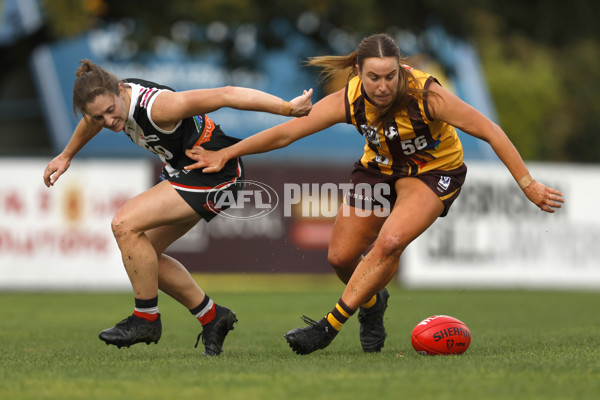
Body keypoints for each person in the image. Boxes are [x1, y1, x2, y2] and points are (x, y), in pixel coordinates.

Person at [184, 33, 565, 355]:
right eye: (373, 78)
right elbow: (287, 133)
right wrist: (227, 152)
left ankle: (327, 328)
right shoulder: (349, 99)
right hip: (378, 170)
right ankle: (372, 300)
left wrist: (527, 184)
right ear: (357, 73)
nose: (383, 87)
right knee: (340, 257)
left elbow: (490, 130)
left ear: (401, 70)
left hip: (433, 172)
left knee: (391, 242)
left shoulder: (427, 95)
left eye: (390, 76)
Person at [43, 59, 313, 356]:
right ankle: (212, 316)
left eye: (110, 111)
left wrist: (288, 108)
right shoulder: (112, 101)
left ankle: (145, 318)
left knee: (124, 224)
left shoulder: (160, 107)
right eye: (99, 117)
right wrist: (66, 155)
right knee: (144, 258)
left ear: (120, 90)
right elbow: (91, 120)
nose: (108, 121)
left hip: (216, 172)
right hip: (189, 172)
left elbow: (226, 94)